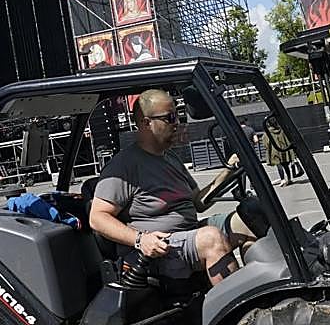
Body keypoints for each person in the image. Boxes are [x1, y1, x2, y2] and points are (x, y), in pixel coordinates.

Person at [90, 89, 247, 286]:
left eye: (178, 115)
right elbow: (97, 218)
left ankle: (266, 297)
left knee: (251, 216)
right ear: (147, 123)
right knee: (212, 239)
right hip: (158, 250)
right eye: (170, 118)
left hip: (188, 234)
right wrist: (140, 239)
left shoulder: (170, 157)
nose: (177, 123)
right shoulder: (124, 166)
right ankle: (239, 312)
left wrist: (229, 170)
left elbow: (198, 201)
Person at [262, 115, 299, 186]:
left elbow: (265, 142)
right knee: (285, 165)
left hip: (274, 150)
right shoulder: (281, 129)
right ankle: (289, 179)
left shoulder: (268, 132)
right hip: (284, 149)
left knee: (279, 165)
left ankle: (282, 179)